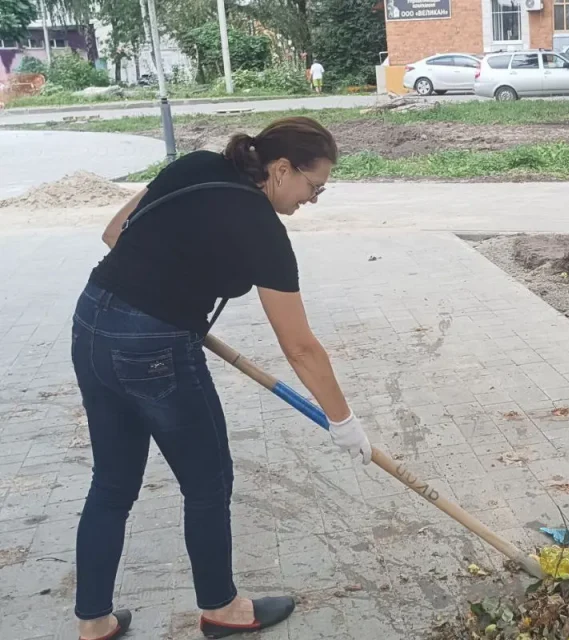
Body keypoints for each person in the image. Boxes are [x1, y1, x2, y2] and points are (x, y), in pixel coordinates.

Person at [71, 116, 372, 640]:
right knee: (208, 483)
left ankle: (94, 620)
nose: (314, 199)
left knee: (112, 483)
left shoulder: (197, 164)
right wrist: (343, 420)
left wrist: (168, 284)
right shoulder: (262, 229)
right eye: (314, 186)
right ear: (282, 169)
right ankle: (222, 608)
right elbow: (299, 346)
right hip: (155, 350)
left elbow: (115, 233)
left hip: (93, 323)